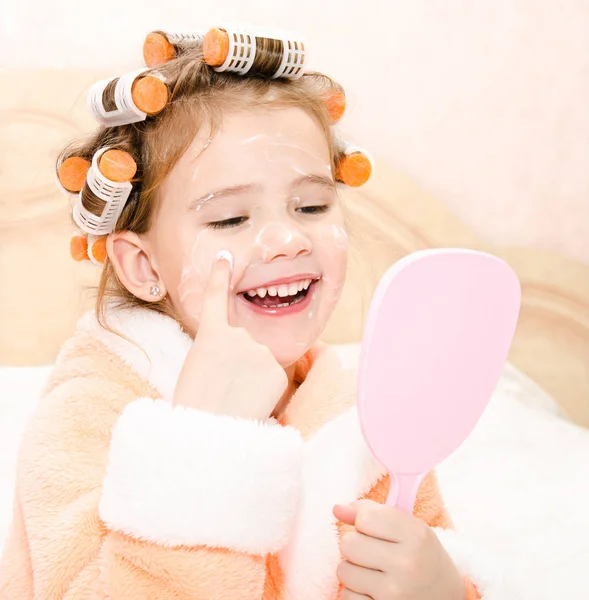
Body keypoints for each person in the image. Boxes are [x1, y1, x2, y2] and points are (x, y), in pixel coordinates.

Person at [0, 27, 495, 599]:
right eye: (231, 218)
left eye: (311, 205)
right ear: (143, 266)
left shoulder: (366, 423)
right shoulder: (87, 415)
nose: (287, 238)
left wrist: (442, 591)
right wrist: (207, 443)